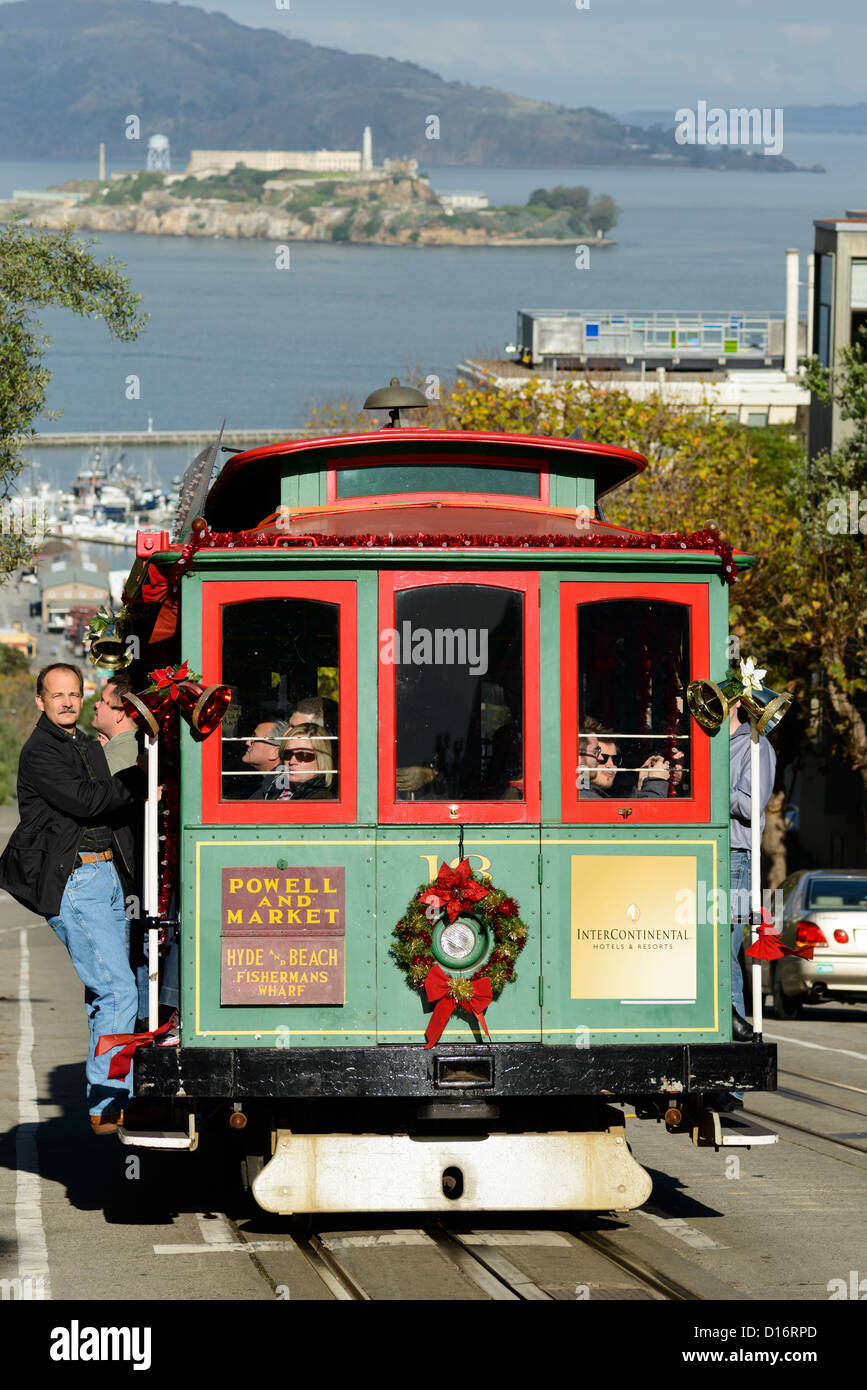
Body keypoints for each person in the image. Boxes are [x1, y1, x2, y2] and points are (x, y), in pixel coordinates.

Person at [0, 664, 140, 1135]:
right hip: (76, 880)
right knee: (119, 991)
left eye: (74, 694)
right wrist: (138, 782)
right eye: (56, 695)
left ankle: (121, 1091)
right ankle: (108, 1101)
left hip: (104, 876)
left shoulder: (81, 743)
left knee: (108, 992)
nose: (66, 702)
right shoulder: (41, 751)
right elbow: (86, 800)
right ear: (40, 701)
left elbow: (105, 798)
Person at [729, 698, 776, 1044]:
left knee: (723, 951)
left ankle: (731, 1085)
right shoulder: (714, 745)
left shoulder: (755, 745)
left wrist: (713, 783)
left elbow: (750, 805)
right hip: (713, 853)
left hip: (737, 857)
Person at [577, 722, 678, 799]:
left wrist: (641, 785)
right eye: (602, 756)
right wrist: (656, 782)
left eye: (616, 759)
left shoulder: (601, 794)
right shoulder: (585, 796)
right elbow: (645, 819)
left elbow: (628, 818)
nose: (610, 765)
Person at [274, 723, 335, 801]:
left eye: (303, 755)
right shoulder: (277, 789)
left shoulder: (320, 799)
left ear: (321, 761)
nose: (292, 761)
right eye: (287, 754)